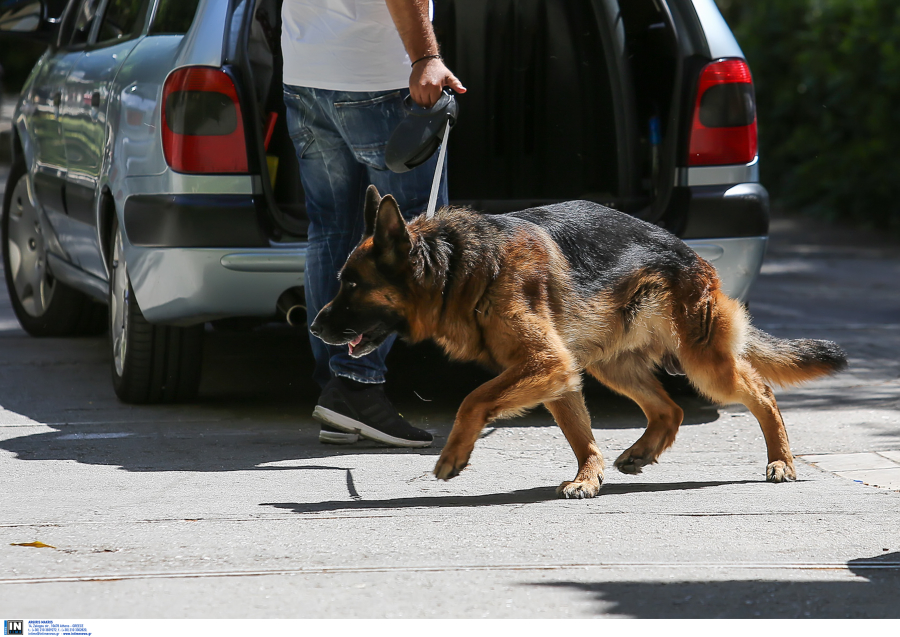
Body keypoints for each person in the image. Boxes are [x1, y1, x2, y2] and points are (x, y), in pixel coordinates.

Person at [282, 0, 466, 447]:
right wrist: (425, 57)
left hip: (306, 76)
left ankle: (337, 385)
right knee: (414, 241)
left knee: (330, 228)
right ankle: (355, 384)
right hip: (376, 80)